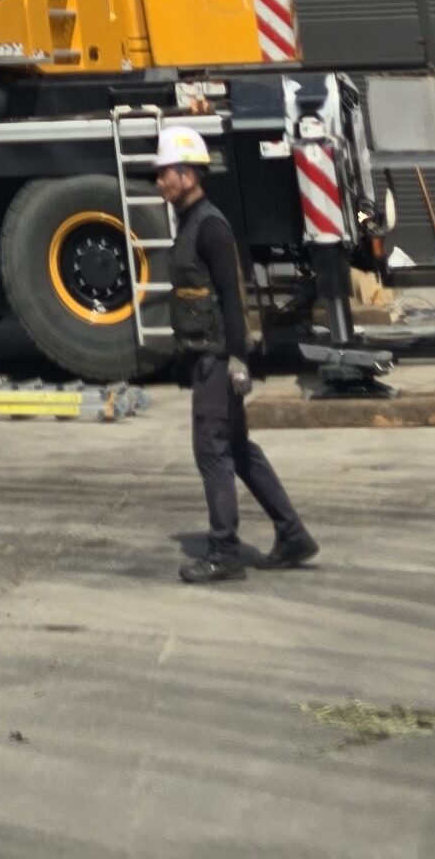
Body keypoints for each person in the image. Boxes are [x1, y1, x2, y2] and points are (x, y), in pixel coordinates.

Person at [158, 129, 317, 585]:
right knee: (239, 450)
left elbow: (232, 297)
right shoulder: (190, 222)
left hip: (218, 358)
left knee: (212, 449)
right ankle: (292, 534)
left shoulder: (210, 226)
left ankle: (224, 550)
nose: (159, 181)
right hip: (204, 355)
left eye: (165, 173)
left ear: (188, 175)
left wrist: (238, 360)